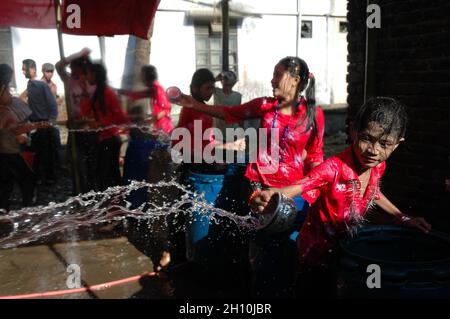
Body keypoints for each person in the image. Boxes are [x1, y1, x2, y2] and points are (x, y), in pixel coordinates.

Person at [251, 97, 431, 298]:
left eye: (384, 143)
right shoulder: (333, 168)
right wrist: (271, 195)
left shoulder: (377, 165)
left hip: (346, 249)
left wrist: (403, 217)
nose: (374, 150)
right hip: (316, 256)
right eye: (366, 138)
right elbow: (303, 184)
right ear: (353, 131)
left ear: (397, 145)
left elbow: (373, 192)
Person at [174, 57, 324, 297]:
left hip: (294, 195)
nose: (272, 80)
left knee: (288, 252)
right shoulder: (266, 105)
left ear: (295, 81)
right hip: (260, 189)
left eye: (278, 75)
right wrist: (193, 104)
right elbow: (229, 112)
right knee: (262, 250)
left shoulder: (313, 114)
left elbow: (315, 155)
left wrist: (317, 192)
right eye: (273, 74)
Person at [0, 64, 50, 210]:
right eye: (7, 90)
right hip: (8, 151)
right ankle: (28, 210)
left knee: (6, 183)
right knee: (27, 178)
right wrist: (38, 125)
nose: (10, 94)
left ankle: (5, 212)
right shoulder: (3, 111)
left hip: (5, 150)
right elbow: (17, 129)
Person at [55, 48, 98, 194]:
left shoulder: (94, 83)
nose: (70, 68)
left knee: (92, 165)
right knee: (76, 165)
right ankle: (79, 193)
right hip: (76, 131)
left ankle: (93, 194)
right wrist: (78, 53)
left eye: (73, 66)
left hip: (92, 131)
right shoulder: (69, 81)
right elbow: (59, 66)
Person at [80, 62, 128, 191]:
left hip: (110, 139)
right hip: (104, 139)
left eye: (88, 74)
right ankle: (112, 205)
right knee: (104, 175)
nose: (86, 77)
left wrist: (101, 123)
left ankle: (115, 205)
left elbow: (121, 117)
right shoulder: (98, 93)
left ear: (95, 74)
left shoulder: (107, 92)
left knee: (109, 176)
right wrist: (83, 88)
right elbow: (84, 112)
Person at [22, 59, 59, 185]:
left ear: (32, 70)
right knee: (36, 152)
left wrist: (50, 121)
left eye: (24, 69)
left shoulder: (41, 85)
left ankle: (49, 179)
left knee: (47, 153)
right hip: (33, 124)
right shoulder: (30, 85)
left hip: (43, 123)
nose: (23, 71)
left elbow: (53, 104)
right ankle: (38, 178)